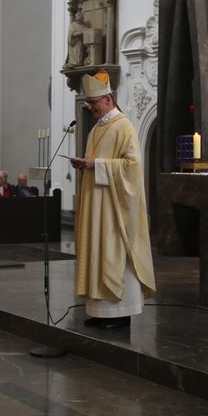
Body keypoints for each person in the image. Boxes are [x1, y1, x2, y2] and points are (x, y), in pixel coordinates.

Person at [70, 71, 156, 329]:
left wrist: (95, 164)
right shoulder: (96, 129)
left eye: (94, 103)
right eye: (89, 103)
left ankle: (121, 314)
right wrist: (86, 166)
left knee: (114, 254)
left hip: (115, 208)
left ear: (108, 99)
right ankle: (101, 312)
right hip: (97, 205)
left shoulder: (124, 126)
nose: (90, 107)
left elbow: (132, 166)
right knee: (98, 252)